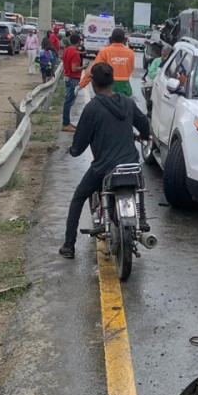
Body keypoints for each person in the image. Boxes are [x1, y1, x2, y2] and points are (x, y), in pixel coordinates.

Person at [59, 62, 150, 258]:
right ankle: (141, 217)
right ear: (112, 80)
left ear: (93, 82)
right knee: (139, 188)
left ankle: (68, 245)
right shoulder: (128, 102)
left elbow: (80, 143)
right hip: (131, 166)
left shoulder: (92, 108)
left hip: (104, 168)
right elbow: (145, 126)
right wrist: (143, 135)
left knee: (78, 198)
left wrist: (74, 151)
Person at [80, 27, 135, 97]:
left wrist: (82, 84)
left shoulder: (104, 51)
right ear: (124, 40)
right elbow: (131, 69)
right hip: (125, 86)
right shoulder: (130, 53)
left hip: (109, 86)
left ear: (111, 39)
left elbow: (94, 70)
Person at [61, 32, 84, 132]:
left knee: (68, 100)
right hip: (73, 78)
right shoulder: (75, 53)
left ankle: (67, 122)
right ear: (79, 42)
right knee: (69, 102)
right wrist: (84, 67)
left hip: (67, 77)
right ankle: (65, 124)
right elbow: (74, 69)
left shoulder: (66, 50)